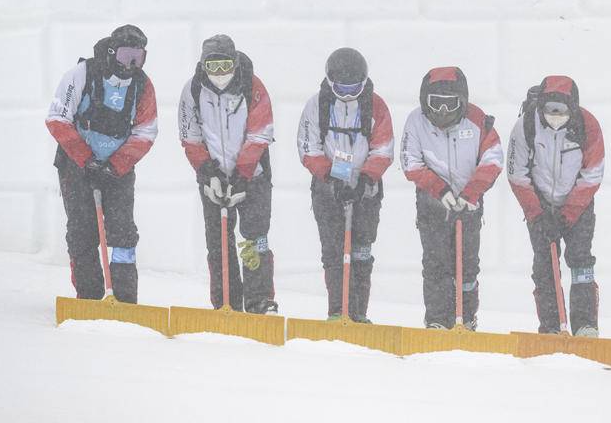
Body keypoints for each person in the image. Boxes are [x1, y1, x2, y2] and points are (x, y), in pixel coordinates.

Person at [46, 24, 157, 303]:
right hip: (77, 165)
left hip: (117, 169)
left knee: (122, 233)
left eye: (138, 57)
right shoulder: (81, 74)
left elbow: (145, 131)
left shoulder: (142, 85)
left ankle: (124, 297)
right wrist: (86, 159)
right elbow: (57, 117)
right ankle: (90, 295)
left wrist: (116, 165)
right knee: (83, 231)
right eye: (125, 56)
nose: (131, 64)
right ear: (111, 52)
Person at [178, 34, 278, 314]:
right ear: (203, 66)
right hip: (213, 177)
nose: (219, 74)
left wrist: (242, 176)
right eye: (213, 67)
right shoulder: (193, 91)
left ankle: (259, 299)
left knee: (254, 237)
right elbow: (190, 136)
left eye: (225, 66)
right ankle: (226, 301)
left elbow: (260, 134)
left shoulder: (252, 87)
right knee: (219, 241)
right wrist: (208, 172)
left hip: (252, 176)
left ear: (234, 63)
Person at [400, 67, 503, 330]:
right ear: (426, 101)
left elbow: (492, 157)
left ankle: (466, 317)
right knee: (436, 263)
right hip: (433, 203)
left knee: (467, 267)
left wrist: (472, 193)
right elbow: (410, 162)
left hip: (469, 203)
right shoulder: (415, 122)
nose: (443, 112)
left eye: (450, 104)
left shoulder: (478, 120)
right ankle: (437, 318)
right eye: (437, 104)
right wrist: (439, 190)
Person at [296, 47, 393, 322]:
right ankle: (338, 311)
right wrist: (330, 177)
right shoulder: (316, 106)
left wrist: (365, 179)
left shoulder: (376, 106)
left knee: (361, 251)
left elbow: (384, 148)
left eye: (354, 88)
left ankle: (358, 313)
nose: (348, 94)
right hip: (329, 189)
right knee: (334, 252)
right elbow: (307, 147)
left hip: (365, 188)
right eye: (342, 87)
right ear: (330, 82)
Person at [508, 75, 604, 337]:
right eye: (550, 109)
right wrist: (537, 215)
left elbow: (593, 173)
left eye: (561, 110)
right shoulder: (526, 125)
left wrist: (568, 214)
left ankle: (585, 324)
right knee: (545, 267)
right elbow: (517, 174)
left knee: (581, 262)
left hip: (578, 206)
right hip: (539, 206)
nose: (555, 116)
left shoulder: (588, 126)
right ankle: (551, 327)